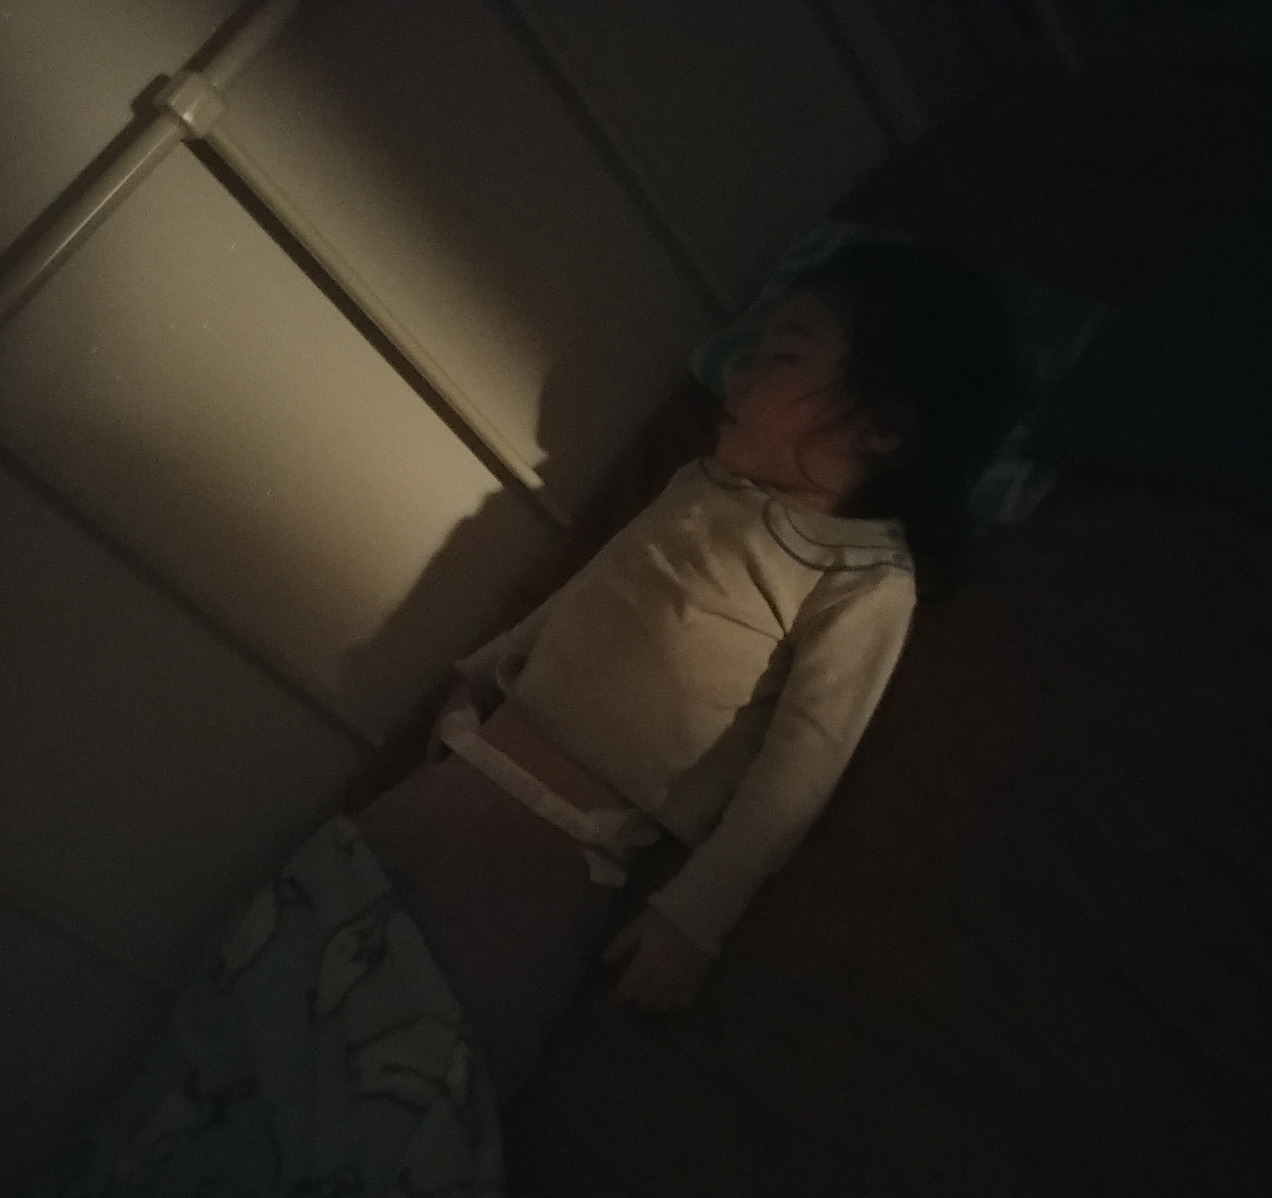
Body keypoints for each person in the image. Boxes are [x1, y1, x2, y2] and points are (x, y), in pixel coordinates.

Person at [353, 240, 1028, 1104]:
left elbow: (802, 765)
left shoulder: (862, 579)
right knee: (304, 959)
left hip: (561, 847)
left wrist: (695, 913)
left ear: (885, 427)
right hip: (457, 769)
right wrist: (480, 672)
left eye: (782, 356)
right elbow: (592, 586)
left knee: (427, 1065)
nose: (738, 374)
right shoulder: (699, 483)